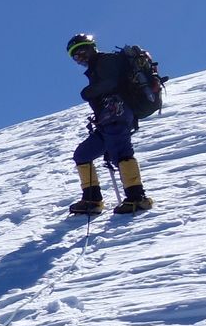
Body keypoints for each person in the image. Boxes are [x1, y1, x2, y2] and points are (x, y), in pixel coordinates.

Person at [66, 33, 154, 215]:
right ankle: (92, 199)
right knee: (82, 154)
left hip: (118, 114)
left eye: (82, 52)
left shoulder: (106, 61)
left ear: (92, 47)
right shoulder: (97, 66)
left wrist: (88, 92)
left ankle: (137, 197)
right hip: (107, 119)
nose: (80, 58)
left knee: (120, 152)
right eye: (75, 57)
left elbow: (111, 83)